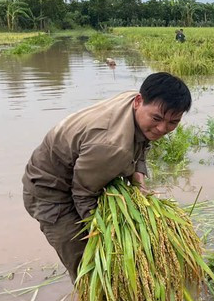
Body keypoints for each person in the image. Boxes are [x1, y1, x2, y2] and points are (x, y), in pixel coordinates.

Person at [22, 73, 192, 281]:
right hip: (50, 192)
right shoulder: (112, 146)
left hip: (82, 170)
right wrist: (108, 235)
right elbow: (83, 195)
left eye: (173, 122)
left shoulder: (136, 103)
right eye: (157, 119)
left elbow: (141, 142)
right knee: (89, 266)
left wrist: (138, 181)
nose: (162, 128)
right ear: (139, 101)